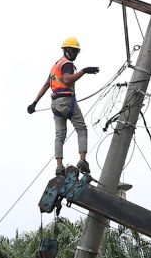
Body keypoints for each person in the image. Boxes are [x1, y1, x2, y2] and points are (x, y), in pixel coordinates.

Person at [27, 37, 99, 176]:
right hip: (67, 101)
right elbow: (67, 79)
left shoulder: (55, 66)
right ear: (66, 50)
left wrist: (34, 103)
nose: (74, 54)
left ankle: (59, 166)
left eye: (76, 52)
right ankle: (82, 160)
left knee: (59, 135)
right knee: (81, 129)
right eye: (73, 51)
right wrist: (84, 71)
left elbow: (46, 85)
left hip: (55, 104)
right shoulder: (67, 65)